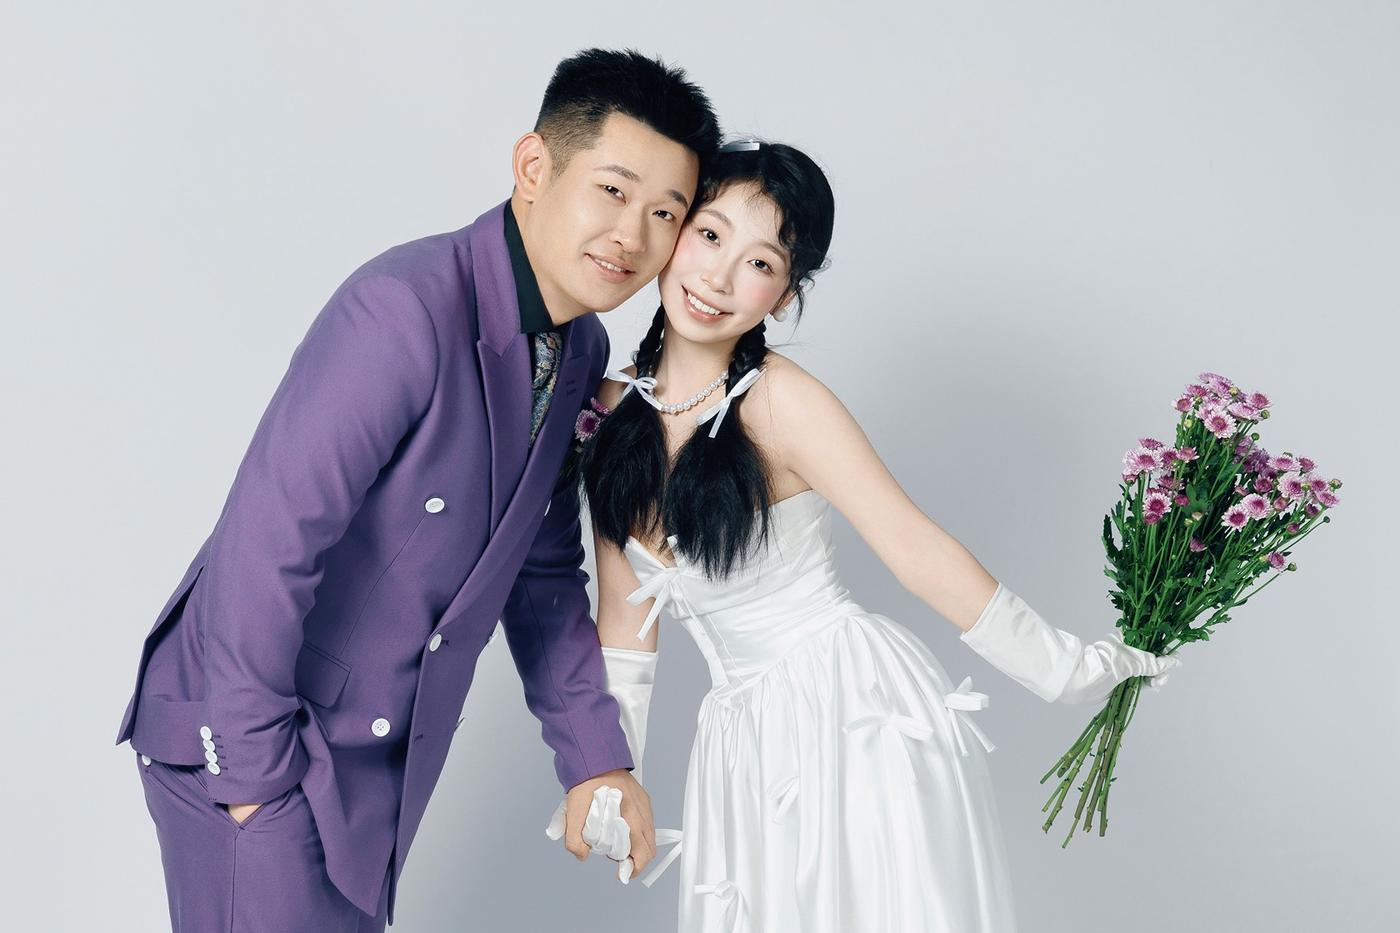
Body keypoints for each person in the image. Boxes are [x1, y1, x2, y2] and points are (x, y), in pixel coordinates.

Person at [113, 48, 720, 930]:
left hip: (367, 770)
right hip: (253, 741)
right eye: (613, 191)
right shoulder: (404, 308)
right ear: (534, 167)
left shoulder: (579, 349)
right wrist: (252, 785)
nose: (633, 234)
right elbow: (267, 542)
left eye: (665, 212)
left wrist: (597, 757)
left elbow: (540, 571)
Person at [573, 140, 1181, 931]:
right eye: (711, 235)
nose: (719, 277)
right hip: (739, 743)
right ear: (675, 227)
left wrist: (1066, 668)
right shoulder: (609, 413)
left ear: (784, 297)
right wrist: (607, 770)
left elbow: (914, 547)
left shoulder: (782, 403)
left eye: (760, 263)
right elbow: (625, 628)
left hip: (853, 715)